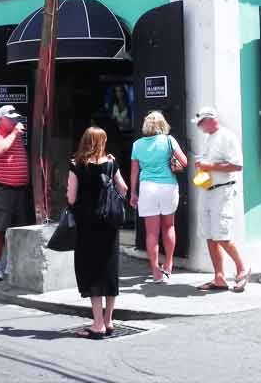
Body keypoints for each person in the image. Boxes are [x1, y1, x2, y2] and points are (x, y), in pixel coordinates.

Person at [67, 127, 128, 339]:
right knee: (109, 269)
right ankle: (109, 320)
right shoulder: (111, 163)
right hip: (109, 224)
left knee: (91, 270)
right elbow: (124, 189)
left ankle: (98, 323)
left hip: (87, 225)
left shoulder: (76, 165)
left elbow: (72, 198)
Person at [192, 107, 251, 293]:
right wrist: (202, 164)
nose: (200, 127)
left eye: (201, 123)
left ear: (210, 120)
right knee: (210, 235)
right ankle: (219, 277)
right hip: (207, 189)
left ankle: (243, 268)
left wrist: (210, 165)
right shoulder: (208, 137)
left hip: (222, 190)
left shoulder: (227, 136)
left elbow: (237, 165)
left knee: (222, 235)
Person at [130, 111, 188, 283]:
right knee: (169, 226)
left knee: (151, 233)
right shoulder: (169, 140)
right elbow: (184, 162)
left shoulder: (137, 144)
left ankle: (155, 271)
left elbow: (134, 171)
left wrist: (133, 192)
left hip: (147, 188)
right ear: (162, 125)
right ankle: (169, 264)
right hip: (168, 186)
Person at [0, 105, 35, 282]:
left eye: (15, 118)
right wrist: (13, 134)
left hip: (19, 189)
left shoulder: (16, 136)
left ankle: (12, 264)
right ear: (0, 119)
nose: (14, 121)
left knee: (17, 229)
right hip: (0, 188)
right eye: (10, 118)